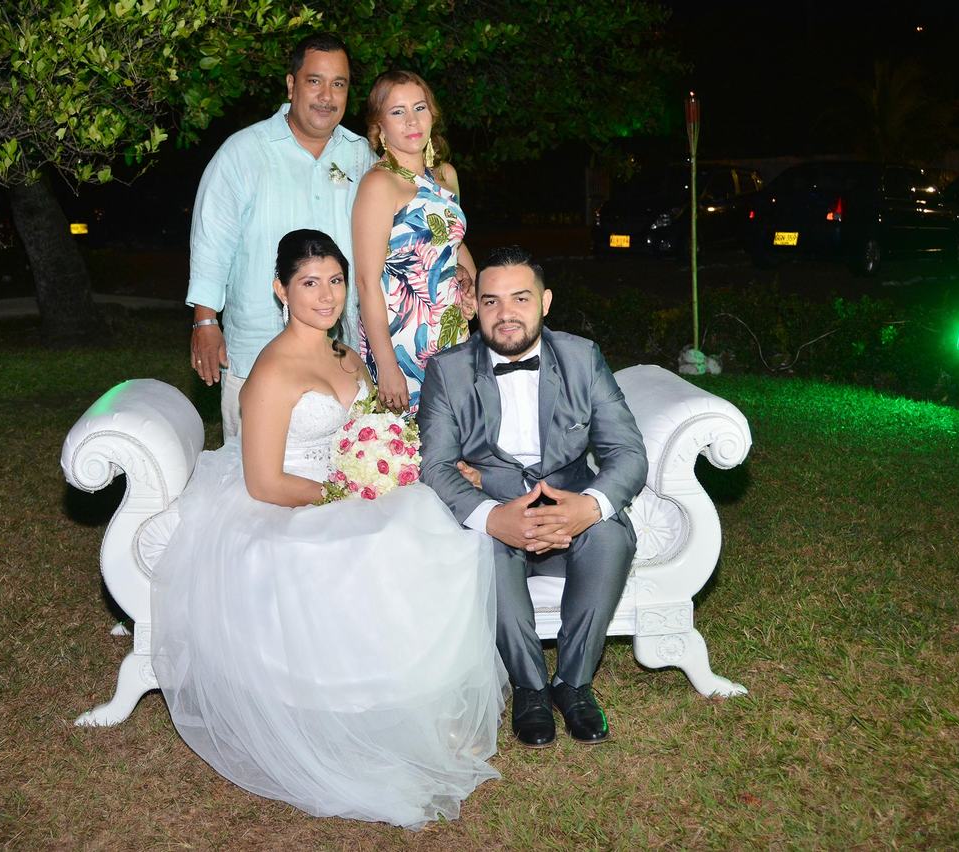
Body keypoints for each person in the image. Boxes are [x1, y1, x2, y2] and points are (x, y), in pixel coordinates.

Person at [152, 230, 507, 829]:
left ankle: (428, 704)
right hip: (289, 502)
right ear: (280, 289)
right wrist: (351, 494)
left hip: (357, 485)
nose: (325, 296)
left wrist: (414, 464)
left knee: (447, 530)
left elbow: (378, 432)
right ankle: (367, 715)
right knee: (372, 545)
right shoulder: (273, 370)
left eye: (336, 281)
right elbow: (264, 481)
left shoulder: (347, 355)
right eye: (309, 283)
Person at [417, 246, 648, 748]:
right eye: (491, 301)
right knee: (482, 548)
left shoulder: (581, 358)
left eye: (520, 298)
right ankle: (529, 689)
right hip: (498, 506)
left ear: (545, 302)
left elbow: (627, 453)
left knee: (610, 535)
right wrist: (491, 516)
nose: (506, 314)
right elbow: (435, 465)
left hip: (569, 502)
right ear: (473, 307)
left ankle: (574, 682)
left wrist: (587, 507)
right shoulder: (449, 371)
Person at [187, 33, 375, 440]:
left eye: (338, 84)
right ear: (291, 85)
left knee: (344, 480)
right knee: (252, 480)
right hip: (256, 348)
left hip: (339, 356)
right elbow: (211, 241)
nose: (327, 96)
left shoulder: (362, 157)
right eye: (314, 81)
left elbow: (400, 224)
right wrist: (205, 319)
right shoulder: (243, 152)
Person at [352, 70, 476, 414]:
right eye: (397, 112)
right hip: (402, 342)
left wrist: (472, 284)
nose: (411, 121)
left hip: (452, 334)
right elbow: (366, 281)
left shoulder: (446, 176)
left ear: (432, 114)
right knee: (407, 457)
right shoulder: (379, 184)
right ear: (379, 126)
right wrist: (387, 364)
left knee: (455, 447)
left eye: (419, 108)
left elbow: (453, 241)